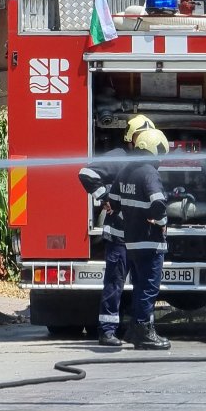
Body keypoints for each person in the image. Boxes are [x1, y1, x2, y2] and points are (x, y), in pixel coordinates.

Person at [78, 114, 154, 346]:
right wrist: (104, 198)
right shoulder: (119, 158)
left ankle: (138, 330)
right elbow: (86, 173)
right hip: (119, 236)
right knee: (115, 283)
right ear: (131, 139)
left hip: (139, 238)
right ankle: (107, 331)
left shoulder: (147, 164)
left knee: (143, 285)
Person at [118, 127, 172, 350]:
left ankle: (133, 331)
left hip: (131, 240)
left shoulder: (127, 170)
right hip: (150, 241)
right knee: (149, 288)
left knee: (139, 286)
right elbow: (158, 202)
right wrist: (161, 221)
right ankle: (144, 332)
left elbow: (113, 199)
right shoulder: (149, 172)